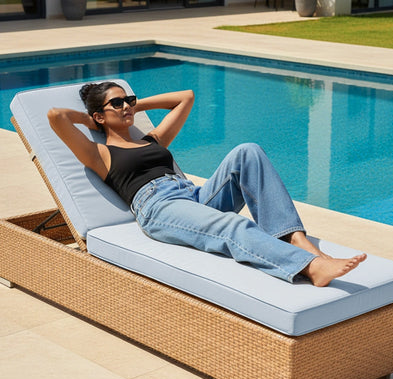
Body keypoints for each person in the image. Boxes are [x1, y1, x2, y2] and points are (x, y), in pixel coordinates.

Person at [48, 81, 366, 287]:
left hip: (193, 195)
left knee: (248, 151)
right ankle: (310, 267)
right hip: (159, 207)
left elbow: (185, 97)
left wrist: (132, 106)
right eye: (117, 104)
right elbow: (55, 116)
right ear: (99, 116)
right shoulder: (100, 154)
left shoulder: (152, 139)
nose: (126, 106)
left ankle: (295, 238)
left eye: (128, 100)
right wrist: (91, 119)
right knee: (232, 225)